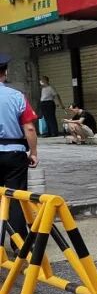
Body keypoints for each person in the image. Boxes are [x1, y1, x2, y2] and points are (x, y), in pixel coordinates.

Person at [0, 55, 39, 240]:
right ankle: (19, 244)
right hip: (14, 154)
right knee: (16, 198)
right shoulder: (16, 96)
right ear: (5, 72)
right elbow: (29, 128)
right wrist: (33, 153)